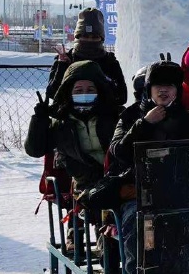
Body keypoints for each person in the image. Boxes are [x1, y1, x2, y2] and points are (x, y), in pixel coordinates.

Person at [108, 59, 189, 274]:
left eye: (169, 86)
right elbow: (118, 152)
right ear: (149, 89)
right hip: (138, 191)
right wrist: (144, 124)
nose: (164, 90)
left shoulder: (185, 117)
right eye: (158, 86)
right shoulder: (130, 116)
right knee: (139, 226)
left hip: (177, 191)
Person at [25, 61, 120, 256]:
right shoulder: (61, 121)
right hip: (83, 180)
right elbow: (35, 149)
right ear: (69, 91)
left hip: (114, 177)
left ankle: (113, 246)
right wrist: (39, 120)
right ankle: (100, 242)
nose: (84, 92)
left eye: (90, 88)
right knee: (97, 201)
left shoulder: (114, 115)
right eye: (78, 89)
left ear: (100, 89)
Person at [45, 8, 127, 105]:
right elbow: (52, 93)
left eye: (94, 37)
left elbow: (122, 97)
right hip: (69, 117)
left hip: (102, 117)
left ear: (101, 38)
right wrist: (62, 68)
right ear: (78, 37)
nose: (90, 40)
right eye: (85, 36)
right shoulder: (65, 59)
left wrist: (103, 79)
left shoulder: (110, 62)